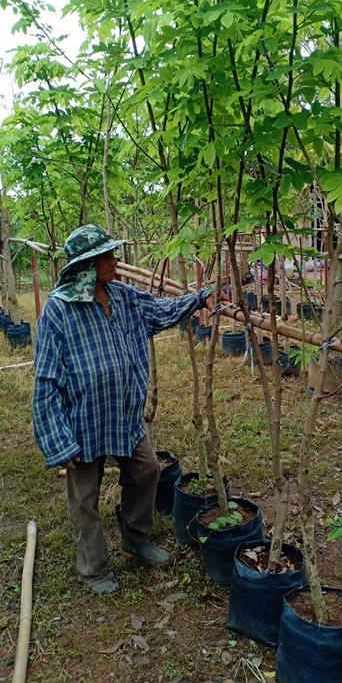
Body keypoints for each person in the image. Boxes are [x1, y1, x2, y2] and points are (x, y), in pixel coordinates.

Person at [32, 223, 221, 595]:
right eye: (106, 256)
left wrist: (201, 297)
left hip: (123, 416)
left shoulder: (123, 297)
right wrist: (56, 440)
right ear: (85, 265)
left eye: (112, 254)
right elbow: (46, 381)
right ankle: (94, 568)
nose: (114, 262)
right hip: (83, 423)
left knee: (147, 469)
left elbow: (162, 311)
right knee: (85, 498)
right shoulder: (58, 310)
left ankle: (135, 537)